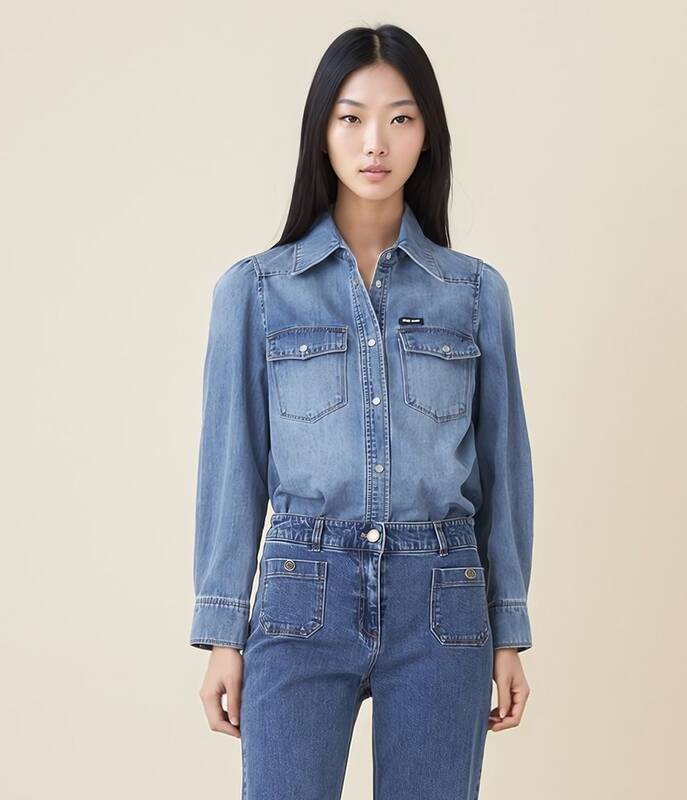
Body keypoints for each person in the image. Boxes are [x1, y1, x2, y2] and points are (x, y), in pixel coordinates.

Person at [190, 23, 534, 800]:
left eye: (400, 117)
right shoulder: (257, 291)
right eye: (351, 117)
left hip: (442, 600)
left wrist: (508, 628)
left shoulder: (474, 293)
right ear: (322, 132)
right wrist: (222, 631)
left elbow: (505, 470)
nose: (375, 141)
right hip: (300, 595)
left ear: (427, 135)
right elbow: (231, 467)